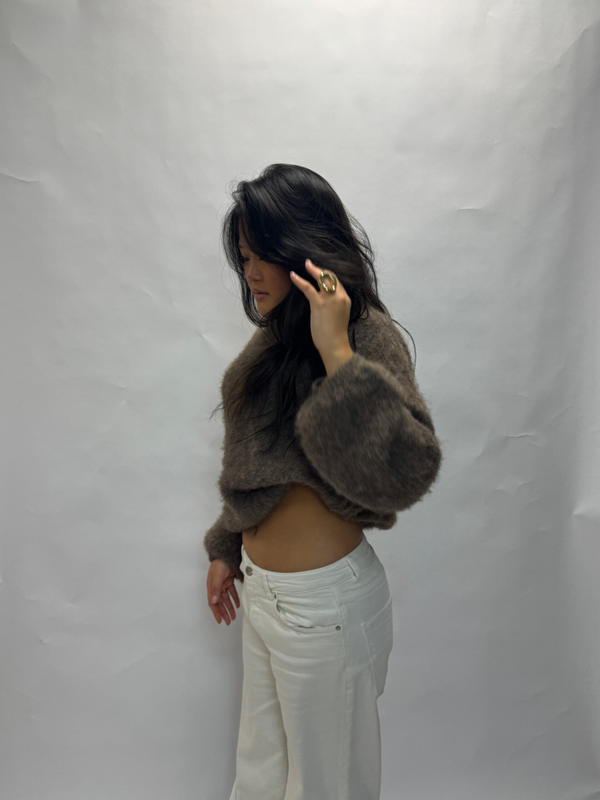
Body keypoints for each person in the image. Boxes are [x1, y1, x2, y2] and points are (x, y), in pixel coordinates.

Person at [204, 163, 443, 800]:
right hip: (262, 595)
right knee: (258, 777)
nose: (251, 273)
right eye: (244, 257)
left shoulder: (363, 334)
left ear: (304, 250)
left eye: (264, 255)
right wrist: (228, 544)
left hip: (325, 609)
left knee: (327, 787)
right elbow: (257, 463)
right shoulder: (270, 343)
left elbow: (404, 471)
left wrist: (336, 351)